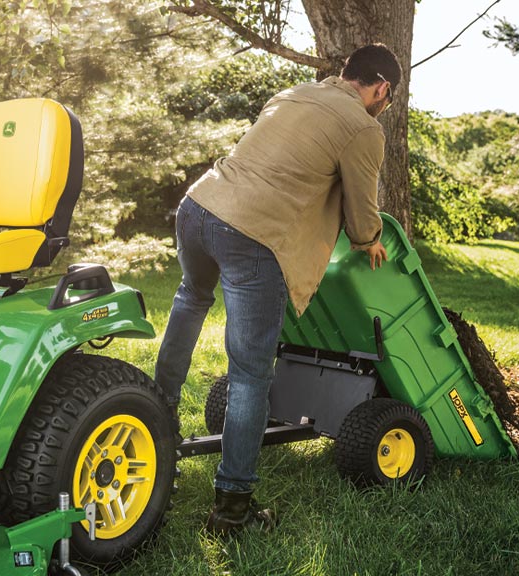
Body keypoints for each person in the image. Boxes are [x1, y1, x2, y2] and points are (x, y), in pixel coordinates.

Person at [154, 43, 400, 536]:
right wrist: (370, 241)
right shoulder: (363, 127)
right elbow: (360, 205)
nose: (383, 106)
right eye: (386, 99)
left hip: (199, 207)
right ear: (381, 88)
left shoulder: (292, 94)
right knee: (249, 374)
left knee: (190, 300)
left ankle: (154, 424)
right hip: (251, 233)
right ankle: (232, 511)